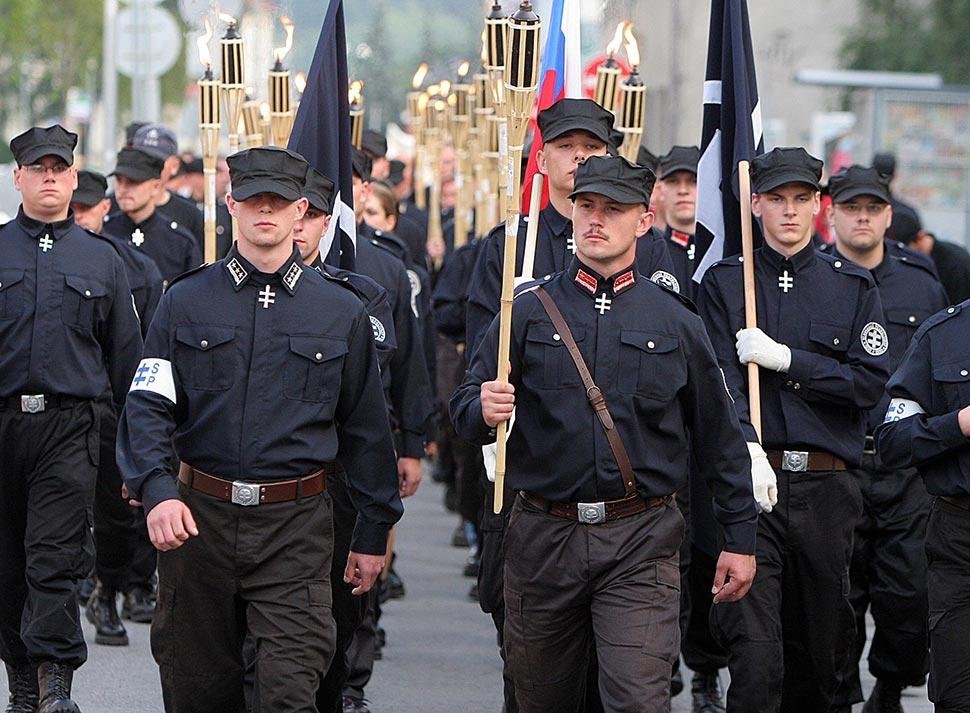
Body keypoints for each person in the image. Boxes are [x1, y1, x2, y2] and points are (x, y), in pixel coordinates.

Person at [451, 154, 758, 711]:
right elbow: (464, 408)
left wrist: (739, 538)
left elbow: (719, 439)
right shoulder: (525, 311)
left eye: (612, 210)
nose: (595, 219)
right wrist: (483, 408)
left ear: (644, 220)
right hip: (545, 535)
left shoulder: (676, 322)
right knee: (540, 698)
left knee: (638, 699)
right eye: (585, 206)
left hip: (640, 539)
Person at [116, 146, 403, 713]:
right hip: (198, 522)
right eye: (252, 201)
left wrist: (373, 531)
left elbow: (366, 428)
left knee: (289, 690)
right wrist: (156, 490)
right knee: (197, 687)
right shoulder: (186, 300)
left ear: (302, 211)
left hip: (295, 528)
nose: (264, 212)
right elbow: (148, 405)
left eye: (277, 202)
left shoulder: (339, 311)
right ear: (231, 206)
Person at [695, 147, 890, 712]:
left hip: (828, 490)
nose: (789, 212)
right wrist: (745, 444)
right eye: (776, 199)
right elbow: (717, 380)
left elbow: (869, 382)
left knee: (823, 652)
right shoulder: (728, 284)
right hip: (754, 486)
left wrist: (789, 361)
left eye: (801, 200)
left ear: (818, 206)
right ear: (754, 203)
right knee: (755, 659)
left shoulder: (851, 286)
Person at [0, 125, 143, 713]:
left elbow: (130, 364)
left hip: (71, 429)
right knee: (8, 566)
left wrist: (140, 457)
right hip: (4, 426)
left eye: (61, 168)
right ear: (19, 178)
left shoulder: (102, 260)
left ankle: (56, 683)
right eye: (40, 168)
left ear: (74, 176)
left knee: (54, 559)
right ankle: (22, 686)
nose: (51, 177)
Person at [821, 165, 948, 713]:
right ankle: (842, 694)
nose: (864, 217)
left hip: (904, 469)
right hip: (838, 462)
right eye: (852, 208)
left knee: (907, 595)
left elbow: (946, 366)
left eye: (873, 208)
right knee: (837, 596)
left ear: (889, 215)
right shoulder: (813, 278)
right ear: (833, 214)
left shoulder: (920, 279)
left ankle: (893, 686)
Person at [70, 170, 165, 646]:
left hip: (117, 405)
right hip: (68, 407)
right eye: (73, 209)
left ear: (103, 210)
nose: (78, 218)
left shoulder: (135, 267)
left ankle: (110, 587)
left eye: (86, 209)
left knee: (116, 508)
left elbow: (148, 346)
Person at [875, 295, 970, 713]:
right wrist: (959, 424)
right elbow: (893, 442)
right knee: (957, 693)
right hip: (960, 537)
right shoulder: (943, 335)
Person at [102, 147, 201, 285]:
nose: (123, 189)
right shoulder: (104, 232)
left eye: (133, 182)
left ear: (155, 186)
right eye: (119, 181)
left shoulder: (179, 242)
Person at [131, 124, 205, 252]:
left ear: (174, 165)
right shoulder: (113, 207)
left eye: (157, 160)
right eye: (142, 158)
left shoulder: (189, 214)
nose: (148, 165)